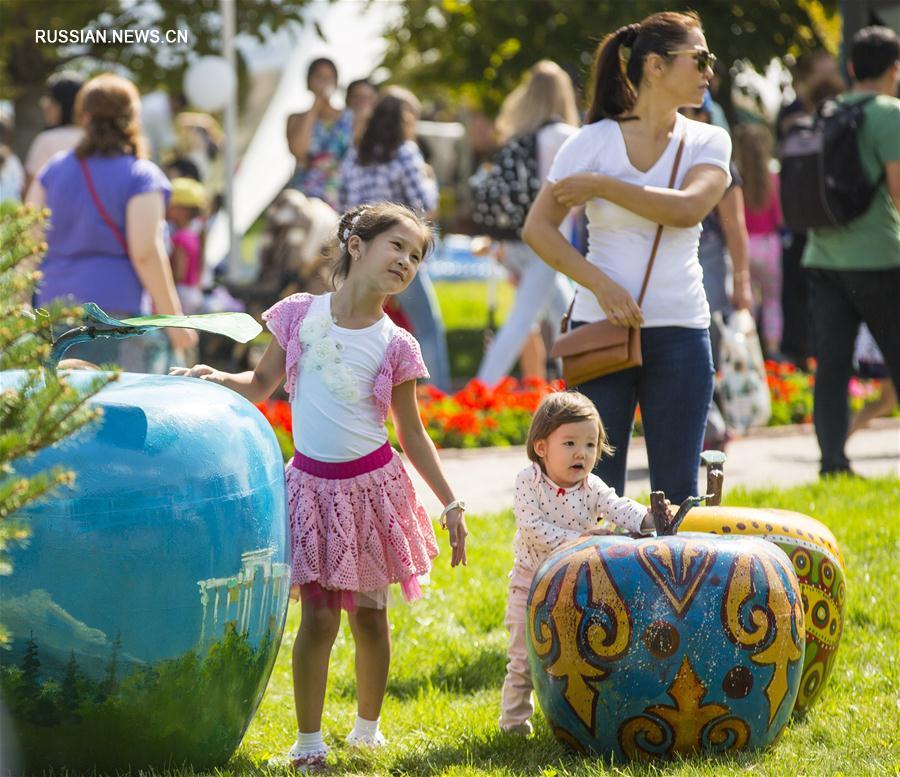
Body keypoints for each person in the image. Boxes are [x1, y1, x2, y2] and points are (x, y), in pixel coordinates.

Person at [171, 202, 468, 771]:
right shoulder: (301, 316)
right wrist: (217, 381)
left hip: (371, 489)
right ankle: (309, 744)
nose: (406, 261)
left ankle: (366, 730)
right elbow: (260, 385)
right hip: (312, 487)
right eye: (397, 247)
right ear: (356, 244)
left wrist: (450, 501)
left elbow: (411, 432)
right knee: (319, 618)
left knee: (369, 616)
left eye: (416, 256)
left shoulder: (396, 344)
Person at [523, 11, 731, 503]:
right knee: (592, 490)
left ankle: (672, 582)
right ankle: (595, 583)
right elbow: (537, 228)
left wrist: (601, 185)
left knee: (678, 492)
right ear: (655, 65)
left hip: (681, 329)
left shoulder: (708, 138)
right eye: (699, 58)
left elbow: (687, 210)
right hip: (600, 328)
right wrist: (600, 285)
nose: (709, 71)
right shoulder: (589, 142)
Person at [500, 391, 655, 735]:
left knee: (581, 657)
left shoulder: (592, 486)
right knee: (523, 657)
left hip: (579, 585)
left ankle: (582, 720)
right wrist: (584, 541)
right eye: (569, 443)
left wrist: (648, 518)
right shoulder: (529, 482)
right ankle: (514, 724)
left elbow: (619, 507)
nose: (581, 453)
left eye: (590, 444)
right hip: (531, 581)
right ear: (542, 447)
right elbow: (533, 528)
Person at [26, 73, 196, 372]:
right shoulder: (141, 176)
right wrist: (175, 322)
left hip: (53, 311)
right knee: (117, 408)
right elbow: (145, 252)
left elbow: (28, 243)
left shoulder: (52, 170)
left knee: (61, 410)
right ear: (133, 117)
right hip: (115, 316)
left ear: (83, 116)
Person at [803, 26, 900, 476]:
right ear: (894, 70)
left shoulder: (827, 111)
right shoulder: (889, 114)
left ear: (853, 67)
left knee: (833, 366)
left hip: (822, 256)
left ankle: (832, 463)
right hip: (878, 257)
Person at [339, 87, 451, 391]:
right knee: (426, 327)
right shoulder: (405, 153)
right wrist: (430, 178)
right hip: (399, 251)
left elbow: (344, 205)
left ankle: (352, 388)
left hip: (361, 254)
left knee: (357, 325)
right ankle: (437, 395)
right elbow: (426, 207)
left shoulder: (355, 154)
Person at [475, 60, 578, 386]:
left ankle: (583, 382)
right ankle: (482, 390)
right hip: (548, 242)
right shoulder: (565, 136)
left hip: (514, 240)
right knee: (523, 321)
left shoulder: (519, 137)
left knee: (568, 314)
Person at [681, 97, 752, 449]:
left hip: (709, 260)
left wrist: (742, 280)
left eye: (692, 112)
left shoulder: (718, 161)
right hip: (677, 262)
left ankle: (712, 426)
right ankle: (709, 426)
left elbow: (735, 226)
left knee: (707, 343)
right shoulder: (663, 155)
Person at [776, 51, 844, 366]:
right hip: (802, 221)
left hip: (831, 218)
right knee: (798, 289)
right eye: (824, 69)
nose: (829, 75)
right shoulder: (792, 112)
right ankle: (798, 352)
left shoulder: (841, 108)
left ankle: (819, 352)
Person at [734, 122, 783, 357]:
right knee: (772, 300)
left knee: (747, 302)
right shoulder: (773, 178)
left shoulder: (736, 180)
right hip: (769, 245)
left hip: (743, 247)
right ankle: (772, 348)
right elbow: (779, 217)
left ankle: (750, 350)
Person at [286, 57, 354, 210]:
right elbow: (298, 151)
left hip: (341, 194)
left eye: (329, 77)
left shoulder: (350, 117)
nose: (324, 82)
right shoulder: (295, 118)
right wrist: (315, 107)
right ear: (309, 81)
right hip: (306, 195)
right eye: (319, 76)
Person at [23, 71, 85, 197]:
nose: (45, 105)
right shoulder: (95, 137)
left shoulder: (46, 140)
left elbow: (29, 190)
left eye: (50, 99)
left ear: (63, 104)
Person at [166, 177, 206, 315]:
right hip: (193, 291)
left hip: (181, 292)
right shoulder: (193, 234)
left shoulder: (179, 238)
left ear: (183, 210)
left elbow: (179, 273)